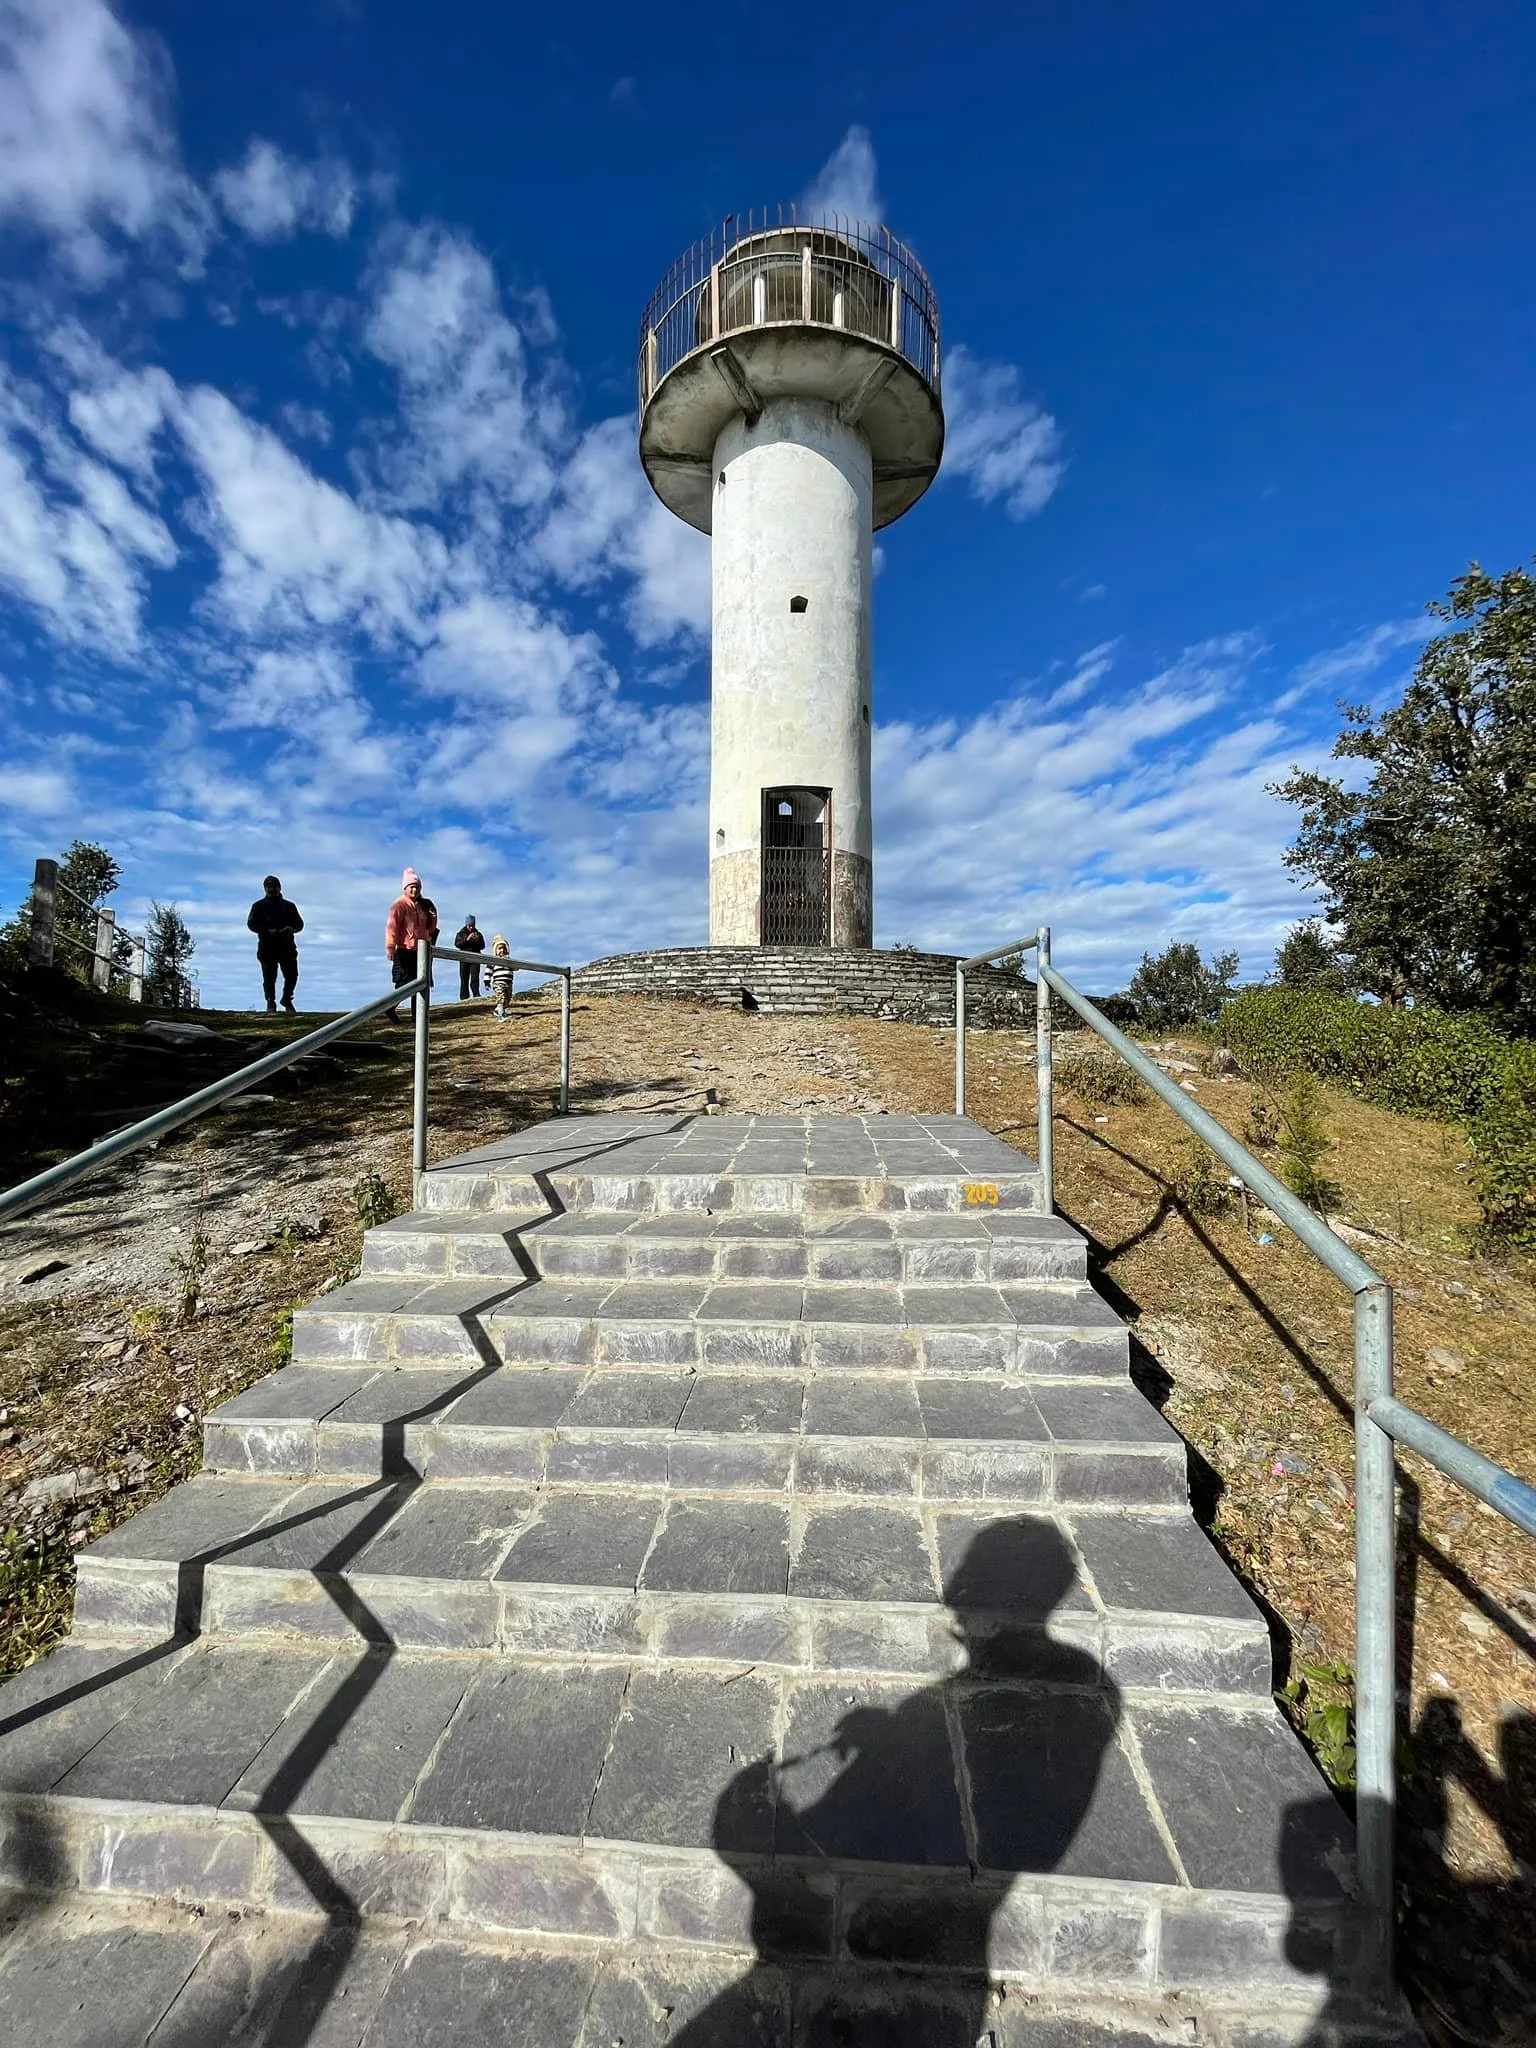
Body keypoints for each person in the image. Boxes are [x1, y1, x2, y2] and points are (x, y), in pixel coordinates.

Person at [385, 868, 439, 1020]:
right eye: (411, 887)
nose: (414, 889)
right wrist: (390, 947)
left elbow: (431, 928)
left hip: (422, 949)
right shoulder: (399, 905)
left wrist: (433, 917)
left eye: (417, 887)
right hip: (404, 949)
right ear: (405, 888)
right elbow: (392, 927)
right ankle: (390, 1008)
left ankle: (418, 1016)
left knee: (422, 982)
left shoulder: (423, 905)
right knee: (404, 983)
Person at [246, 875, 304, 1014]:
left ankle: (287, 999)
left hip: (287, 946)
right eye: (268, 886)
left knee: (292, 975)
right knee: (269, 977)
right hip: (267, 946)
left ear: (279, 887)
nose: (271, 889)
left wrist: (292, 929)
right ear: (265, 888)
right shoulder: (259, 906)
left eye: (274, 886)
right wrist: (266, 930)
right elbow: (251, 924)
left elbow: (299, 924)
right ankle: (270, 1002)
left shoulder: (289, 906)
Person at [453, 914, 486, 999]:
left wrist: (476, 940)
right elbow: (457, 944)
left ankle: (476, 994)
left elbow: (482, 946)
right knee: (464, 977)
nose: (471, 927)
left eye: (472, 925)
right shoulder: (460, 933)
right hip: (463, 958)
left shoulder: (478, 934)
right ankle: (464, 996)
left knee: (475, 977)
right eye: (469, 925)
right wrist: (467, 939)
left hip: (475, 958)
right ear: (466, 924)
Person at [488, 936, 515, 1020]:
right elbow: (488, 970)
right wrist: (487, 981)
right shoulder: (493, 960)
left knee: (508, 999)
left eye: (503, 948)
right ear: (495, 950)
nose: (502, 950)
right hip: (498, 983)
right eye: (499, 948)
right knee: (501, 998)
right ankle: (501, 1015)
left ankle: (497, 1010)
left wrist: (515, 965)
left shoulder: (509, 960)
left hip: (508, 983)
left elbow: (515, 968)